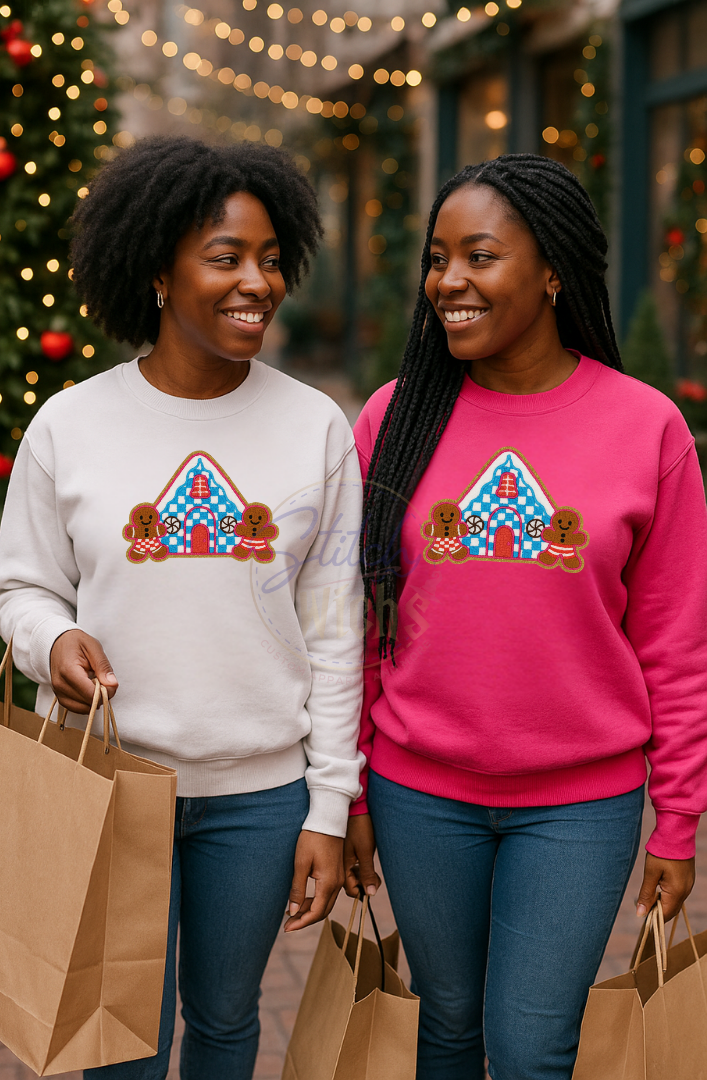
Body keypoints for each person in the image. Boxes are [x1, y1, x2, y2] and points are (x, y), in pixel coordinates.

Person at [0, 136, 364, 1080]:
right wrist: (54, 639)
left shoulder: (314, 423)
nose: (258, 282)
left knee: (229, 1027)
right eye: (226, 256)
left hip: (260, 799)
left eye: (273, 258)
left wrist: (327, 807)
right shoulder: (69, 425)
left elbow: (336, 628)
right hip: (110, 788)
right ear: (158, 271)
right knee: (116, 1044)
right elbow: (21, 587)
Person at [344, 154, 707, 1080]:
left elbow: (674, 644)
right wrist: (347, 790)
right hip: (419, 791)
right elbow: (361, 626)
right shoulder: (394, 417)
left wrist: (678, 819)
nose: (448, 282)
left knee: (535, 1044)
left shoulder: (647, 426)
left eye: (479, 256)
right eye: (437, 258)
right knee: (446, 1030)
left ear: (552, 271)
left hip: (581, 805)